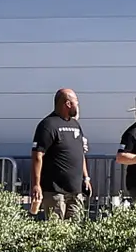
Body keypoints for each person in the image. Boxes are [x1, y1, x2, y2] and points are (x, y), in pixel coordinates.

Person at [27, 88, 91, 221]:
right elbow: (37, 155)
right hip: (55, 191)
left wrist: (86, 178)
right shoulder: (48, 125)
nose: (78, 106)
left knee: (75, 230)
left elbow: (80, 153)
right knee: (56, 231)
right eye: (76, 102)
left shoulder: (75, 125)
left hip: (75, 190)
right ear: (68, 104)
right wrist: (36, 184)